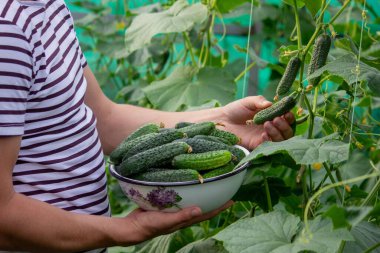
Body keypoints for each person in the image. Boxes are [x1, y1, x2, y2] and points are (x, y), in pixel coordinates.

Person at [0, 0, 295, 252]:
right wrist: (122, 230)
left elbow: (104, 119)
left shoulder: (46, 6)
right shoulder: (7, 30)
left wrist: (222, 124)